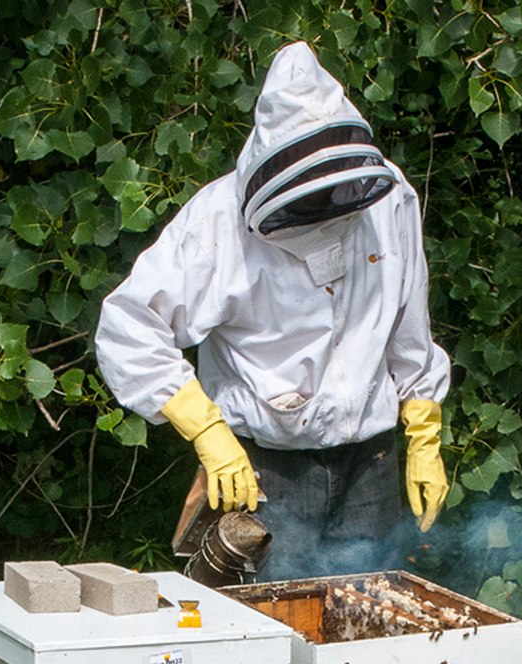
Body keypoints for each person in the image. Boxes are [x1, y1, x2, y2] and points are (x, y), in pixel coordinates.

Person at [96, 41, 450, 580]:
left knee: (364, 619)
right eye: (307, 204)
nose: (322, 213)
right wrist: (208, 431)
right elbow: (128, 327)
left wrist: (423, 428)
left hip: (370, 463)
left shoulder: (389, 199)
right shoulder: (216, 224)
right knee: (271, 638)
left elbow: (407, 317)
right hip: (265, 469)